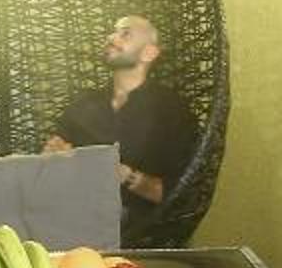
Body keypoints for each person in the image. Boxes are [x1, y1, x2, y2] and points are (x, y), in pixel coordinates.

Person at [45, 13, 199, 246]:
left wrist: (124, 176)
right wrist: (52, 158)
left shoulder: (171, 111)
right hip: (70, 221)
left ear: (149, 53)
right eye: (113, 32)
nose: (111, 38)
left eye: (124, 34)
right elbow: (49, 163)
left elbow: (179, 194)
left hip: (142, 233)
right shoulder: (83, 104)